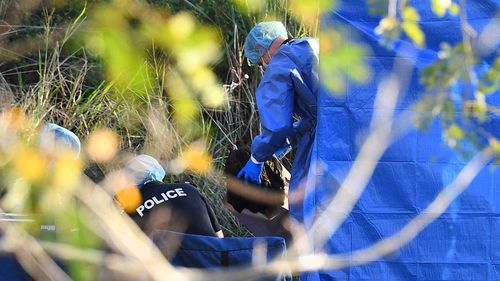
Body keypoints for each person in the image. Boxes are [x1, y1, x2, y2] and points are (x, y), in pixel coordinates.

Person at [238, 22, 318, 221]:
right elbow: (322, 111)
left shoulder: (280, 64)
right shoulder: (313, 45)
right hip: (357, 126)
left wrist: (257, 158)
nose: (262, 66)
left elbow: (277, 126)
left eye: (259, 62)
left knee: (308, 202)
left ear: (261, 50)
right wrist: (293, 138)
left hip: (329, 144)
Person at [123, 155, 223, 238]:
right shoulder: (189, 189)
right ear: (158, 171)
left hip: (171, 261)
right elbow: (219, 237)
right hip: (213, 257)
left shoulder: (131, 211)